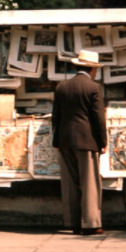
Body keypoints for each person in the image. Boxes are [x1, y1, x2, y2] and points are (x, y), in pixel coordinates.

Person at [51, 49, 107, 235]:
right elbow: (98, 118)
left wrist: (57, 139)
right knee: (89, 183)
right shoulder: (93, 88)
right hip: (86, 140)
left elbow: (55, 117)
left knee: (70, 183)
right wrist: (103, 141)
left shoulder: (62, 87)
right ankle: (90, 223)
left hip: (65, 140)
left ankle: (73, 222)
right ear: (92, 69)